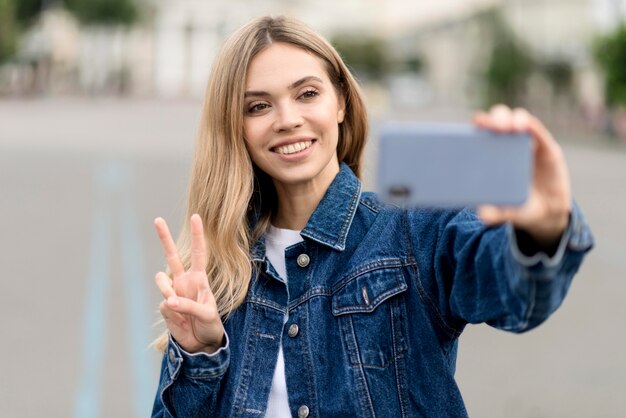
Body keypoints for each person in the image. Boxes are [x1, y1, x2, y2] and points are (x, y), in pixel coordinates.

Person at [150, 15, 593, 418]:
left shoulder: (412, 232)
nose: (287, 119)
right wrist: (199, 354)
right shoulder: (221, 275)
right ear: (235, 126)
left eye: (307, 94)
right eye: (258, 106)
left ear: (340, 103)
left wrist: (543, 228)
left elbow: (514, 292)